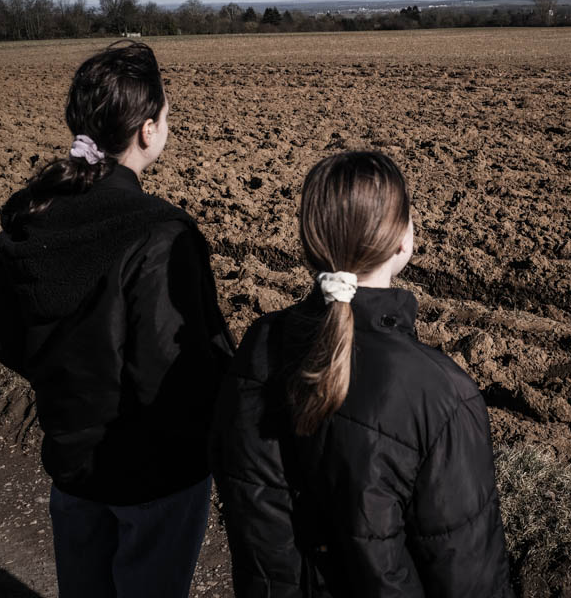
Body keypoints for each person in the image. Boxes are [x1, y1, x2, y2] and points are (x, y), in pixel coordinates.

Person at [0, 40, 233, 598]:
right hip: (154, 475)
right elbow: (173, 376)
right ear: (148, 129)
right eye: (166, 115)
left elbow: (10, 344)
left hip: (72, 463)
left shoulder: (33, 214)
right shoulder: (159, 232)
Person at [210, 151, 512, 597]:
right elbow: (467, 571)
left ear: (311, 243)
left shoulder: (259, 346)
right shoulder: (442, 394)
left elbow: (252, 513)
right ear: (403, 241)